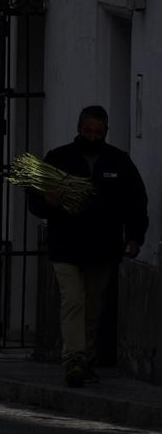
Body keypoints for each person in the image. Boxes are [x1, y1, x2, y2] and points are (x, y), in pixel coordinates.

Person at [28, 105, 148, 388]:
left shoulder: (119, 162)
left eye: (98, 132)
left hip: (103, 247)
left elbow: (136, 202)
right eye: (88, 131)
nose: (93, 137)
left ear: (106, 131)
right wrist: (49, 202)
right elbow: (35, 199)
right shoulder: (59, 159)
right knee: (74, 302)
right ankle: (74, 359)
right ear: (79, 129)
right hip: (65, 246)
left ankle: (86, 359)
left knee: (93, 307)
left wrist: (134, 237)